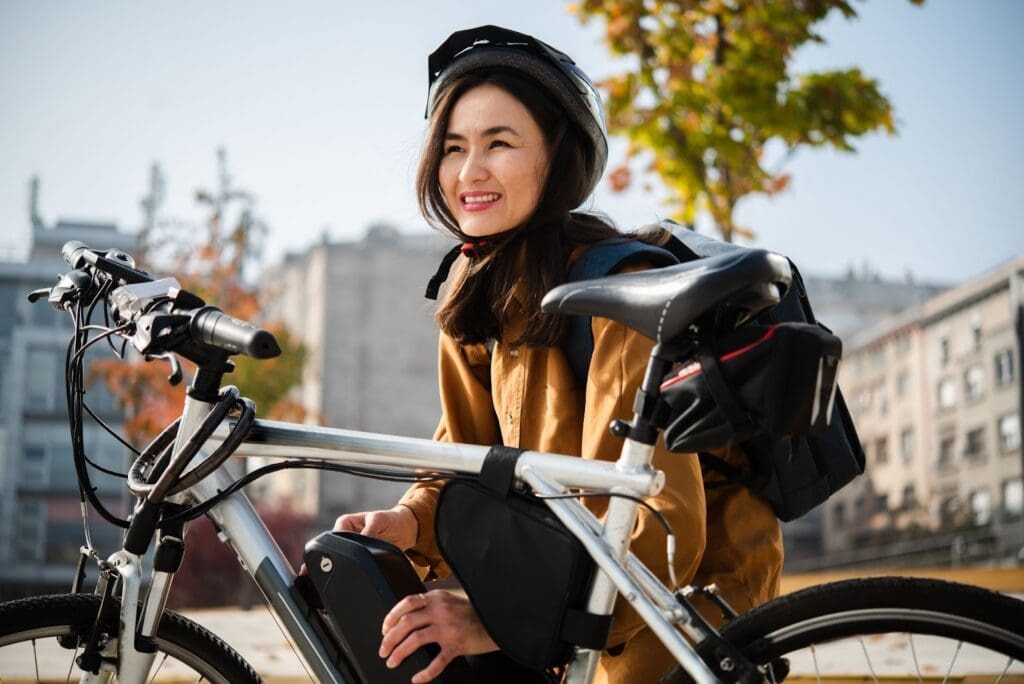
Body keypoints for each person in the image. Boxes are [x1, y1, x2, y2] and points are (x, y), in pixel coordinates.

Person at [334, 25, 782, 684]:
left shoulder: (619, 290)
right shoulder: (475, 292)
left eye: (500, 143)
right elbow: (461, 457)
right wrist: (407, 522)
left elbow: (656, 519)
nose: (469, 172)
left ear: (558, 158)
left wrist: (494, 624)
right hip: (578, 596)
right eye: (453, 147)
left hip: (684, 611)